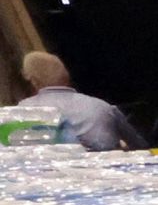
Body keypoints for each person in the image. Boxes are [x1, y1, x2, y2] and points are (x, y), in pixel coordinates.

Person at [10, 54, 141, 150]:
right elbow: (139, 146)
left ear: (32, 81)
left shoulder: (22, 112)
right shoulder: (101, 106)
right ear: (67, 77)